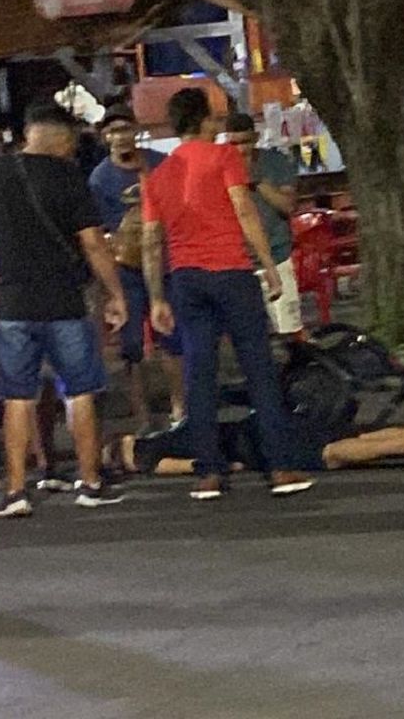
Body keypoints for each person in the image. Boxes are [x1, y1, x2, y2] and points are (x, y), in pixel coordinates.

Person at [142, 88, 314, 500]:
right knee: (258, 366)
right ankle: (281, 467)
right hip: (231, 272)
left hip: (186, 277)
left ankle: (209, 471)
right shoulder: (224, 158)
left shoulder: (158, 176)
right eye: (214, 119)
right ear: (203, 121)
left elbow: (151, 239)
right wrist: (269, 267)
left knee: (199, 371)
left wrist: (156, 297)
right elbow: (243, 208)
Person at [0, 101, 128, 518]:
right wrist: (115, 294)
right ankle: (89, 483)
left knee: (17, 397)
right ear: (62, 139)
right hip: (65, 302)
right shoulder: (70, 178)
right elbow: (92, 243)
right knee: (81, 391)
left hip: (13, 303)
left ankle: (16, 491)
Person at [89, 104, 184, 431]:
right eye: (113, 131)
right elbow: (100, 231)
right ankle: (142, 416)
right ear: (105, 137)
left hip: (166, 263)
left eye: (125, 129)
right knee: (132, 346)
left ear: (135, 131)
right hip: (126, 267)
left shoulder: (159, 162)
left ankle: (179, 407)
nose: (120, 137)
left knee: (172, 337)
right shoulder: (100, 178)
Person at [105, 415, 404, 477]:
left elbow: (196, 467)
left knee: (331, 456)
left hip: (252, 446)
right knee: (343, 437)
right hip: (258, 423)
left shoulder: (149, 457)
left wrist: (226, 469)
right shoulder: (166, 432)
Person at [225, 112, 303, 336]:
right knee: (248, 333)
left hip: (277, 256)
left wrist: (256, 180)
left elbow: (288, 206)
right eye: (234, 143)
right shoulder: (220, 166)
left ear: (256, 137)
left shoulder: (275, 162)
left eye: (246, 142)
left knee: (289, 328)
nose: (240, 149)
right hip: (239, 263)